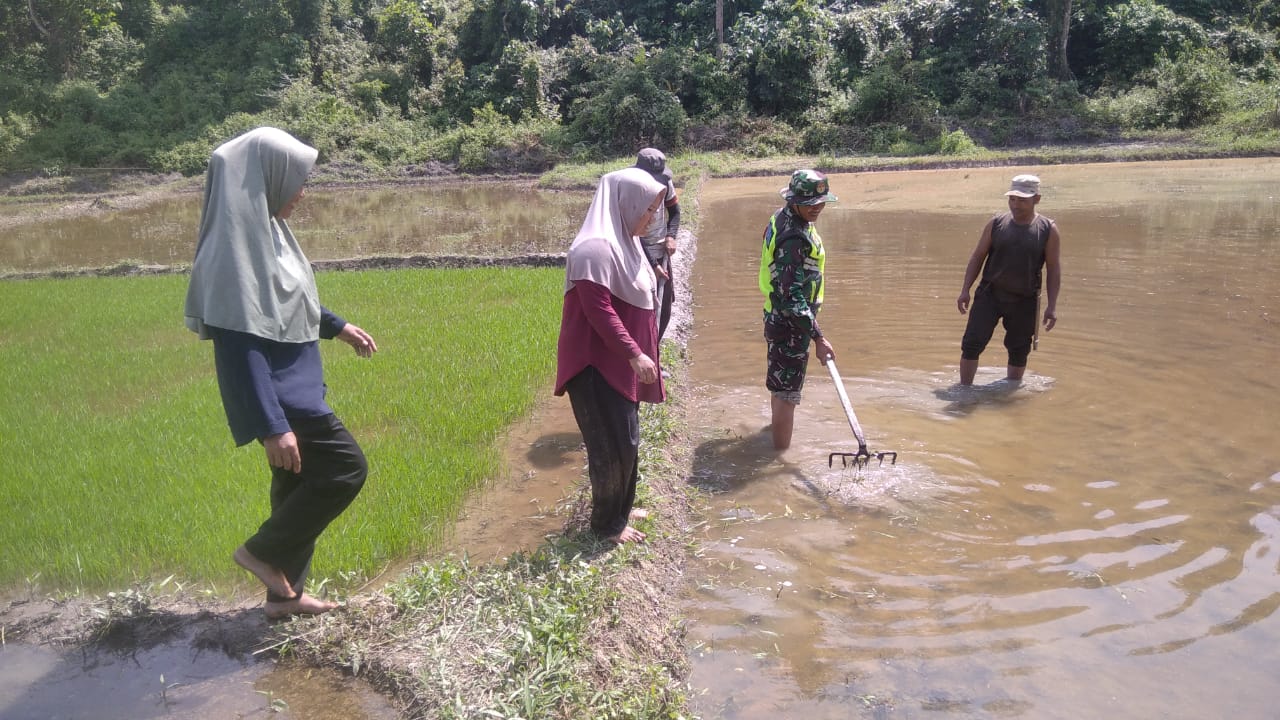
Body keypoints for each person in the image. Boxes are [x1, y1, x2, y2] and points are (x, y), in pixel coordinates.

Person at [184, 127, 378, 619]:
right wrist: (272, 425)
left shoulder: (265, 233)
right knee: (346, 469)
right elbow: (239, 344)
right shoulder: (231, 255)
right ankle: (262, 553)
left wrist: (337, 326)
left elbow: (290, 297)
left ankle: (283, 598)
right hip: (283, 395)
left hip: (295, 380)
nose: (302, 192)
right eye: (297, 180)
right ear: (266, 178)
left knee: (294, 487)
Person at [555, 167, 668, 544]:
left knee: (629, 439)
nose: (650, 219)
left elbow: (634, 285)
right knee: (608, 445)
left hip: (618, 363)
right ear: (626, 203)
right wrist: (635, 353)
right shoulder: (593, 249)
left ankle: (622, 508)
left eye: (655, 212)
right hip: (595, 365)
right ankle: (605, 526)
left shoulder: (626, 241)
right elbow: (597, 309)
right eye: (648, 210)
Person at [956, 173, 1062, 385]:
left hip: (1025, 299)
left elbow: (1053, 268)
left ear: (1037, 199)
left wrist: (1052, 306)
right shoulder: (996, 224)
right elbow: (978, 256)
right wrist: (965, 290)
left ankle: (1010, 393)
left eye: (1022, 200)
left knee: (1019, 349)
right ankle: (964, 390)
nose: (1016, 204)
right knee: (972, 343)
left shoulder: (1048, 230)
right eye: (1012, 199)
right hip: (990, 294)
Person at [759, 169, 838, 451]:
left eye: (821, 202)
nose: (817, 208)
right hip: (791, 324)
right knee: (787, 394)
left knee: (781, 386)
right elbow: (790, 295)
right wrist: (818, 337)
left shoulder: (785, 218)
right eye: (811, 204)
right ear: (794, 201)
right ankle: (779, 458)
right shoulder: (793, 236)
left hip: (784, 318)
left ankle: (774, 435)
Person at [633, 148, 682, 343]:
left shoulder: (665, 182)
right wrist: (654, 265)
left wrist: (671, 236)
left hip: (661, 251)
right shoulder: (634, 191)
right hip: (637, 255)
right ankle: (642, 357)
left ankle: (655, 354)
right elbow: (633, 234)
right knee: (643, 309)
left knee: (665, 309)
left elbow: (675, 212)